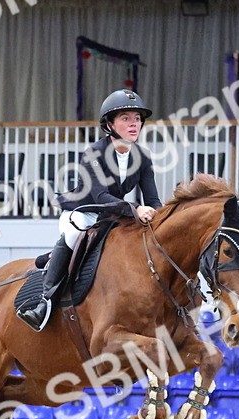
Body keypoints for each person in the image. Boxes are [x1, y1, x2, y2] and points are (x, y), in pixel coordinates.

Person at [17, 88, 164, 331]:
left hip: (113, 215)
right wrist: (136, 209)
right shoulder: (94, 153)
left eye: (137, 118)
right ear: (109, 124)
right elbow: (101, 196)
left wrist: (161, 217)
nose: (133, 124)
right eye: (125, 118)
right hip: (83, 211)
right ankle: (44, 300)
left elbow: (153, 199)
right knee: (75, 235)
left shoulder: (143, 157)